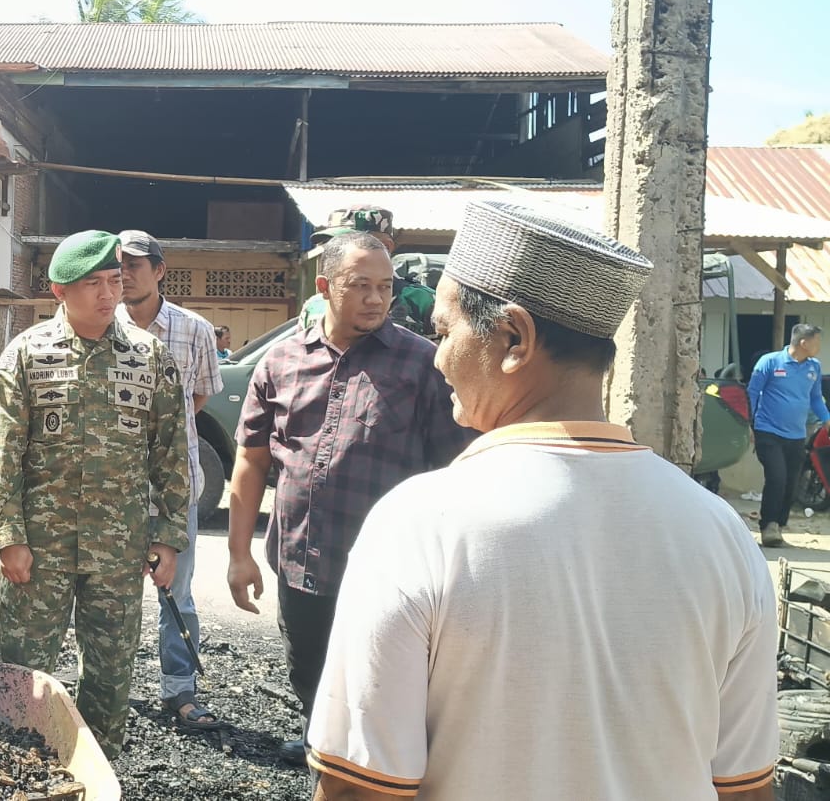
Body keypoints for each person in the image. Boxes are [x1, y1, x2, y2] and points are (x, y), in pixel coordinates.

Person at [306, 199, 777, 801]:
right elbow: (745, 788)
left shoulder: (419, 524)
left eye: (444, 332)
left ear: (513, 339)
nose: (437, 357)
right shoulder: (723, 534)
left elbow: (358, 790)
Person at [226, 231, 471, 765]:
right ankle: (323, 755)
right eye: (360, 286)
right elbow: (251, 460)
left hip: (390, 571)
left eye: (385, 286)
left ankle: (379, 774)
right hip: (301, 561)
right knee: (309, 671)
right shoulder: (280, 362)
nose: (376, 299)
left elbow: (455, 470)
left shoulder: (422, 365)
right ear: (324, 288)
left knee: (385, 682)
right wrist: (239, 554)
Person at [0, 229, 190, 759]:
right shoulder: (26, 354)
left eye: (114, 280)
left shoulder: (149, 356)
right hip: (40, 549)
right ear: (59, 290)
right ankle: (16, 769)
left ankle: (98, 771)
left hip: (118, 550)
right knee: (22, 672)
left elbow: (170, 453)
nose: (107, 293)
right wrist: (10, 536)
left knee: (110, 673)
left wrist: (168, 537)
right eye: (92, 283)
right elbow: (2, 454)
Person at [115, 229, 226, 732]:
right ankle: (109, 689)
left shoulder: (193, 329)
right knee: (109, 595)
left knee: (175, 593)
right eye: (117, 265)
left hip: (175, 488)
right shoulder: (99, 323)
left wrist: (166, 438)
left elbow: (197, 399)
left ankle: (179, 690)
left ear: (159, 271)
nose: (124, 274)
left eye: (134, 265)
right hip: (113, 490)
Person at [297, 206, 436, 339]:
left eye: (354, 243)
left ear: (387, 247)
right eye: (332, 244)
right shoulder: (314, 307)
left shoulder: (424, 302)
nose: (339, 251)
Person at [748, 322, 830, 547]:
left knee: (791, 483)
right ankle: (768, 526)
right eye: (817, 341)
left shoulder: (814, 367)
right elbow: (752, 392)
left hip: (796, 435)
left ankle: (778, 524)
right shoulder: (770, 362)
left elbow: (815, 398)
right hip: (768, 431)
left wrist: (826, 419)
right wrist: (749, 424)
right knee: (777, 477)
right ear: (804, 343)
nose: (819, 346)